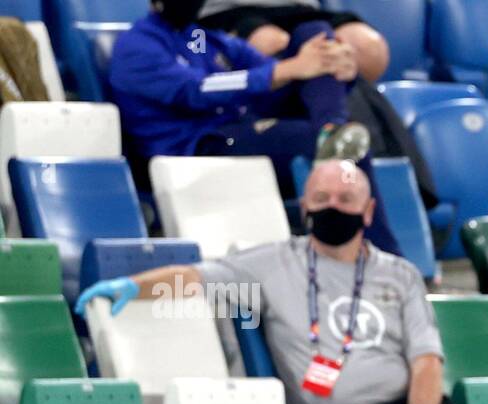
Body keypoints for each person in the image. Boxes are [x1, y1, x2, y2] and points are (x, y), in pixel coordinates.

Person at [76, 159, 477, 404]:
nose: (332, 207)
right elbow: (197, 277)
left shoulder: (400, 273)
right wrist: (130, 285)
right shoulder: (272, 265)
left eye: (345, 198)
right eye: (321, 198)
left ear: (368, 211)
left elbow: (426, 359)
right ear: (304, 208)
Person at [109, 0, 400, 253]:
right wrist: (289, 68)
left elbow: (278, 79)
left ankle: (330, 128)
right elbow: (197, 90)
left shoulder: (202, 38)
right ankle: (383, 258)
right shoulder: (135, 45)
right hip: (200, 146)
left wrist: (334, 67)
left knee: (315, 32)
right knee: (340, 147)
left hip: (242, 130)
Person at [197, 0, 390, 83]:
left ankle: (345, 123)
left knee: (370, 49)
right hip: (227, 10)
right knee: (275, 44)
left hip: (298, 7)